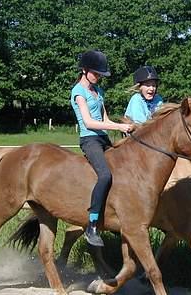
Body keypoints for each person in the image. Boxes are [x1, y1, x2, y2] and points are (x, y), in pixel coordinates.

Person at [70, 50, 133, 247]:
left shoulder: (99, 92)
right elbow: (88, 123)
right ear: (84, 70)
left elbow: (104, 119)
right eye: (96, 73)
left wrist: (125, 129)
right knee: (105, 176)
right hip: (90, 140)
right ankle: (92, 225)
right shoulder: (78, 92)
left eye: (100, 74)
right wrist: (119, 127)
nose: (98, 77)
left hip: (103, 138)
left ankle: (116, 216)